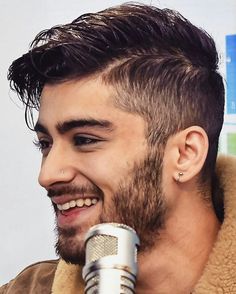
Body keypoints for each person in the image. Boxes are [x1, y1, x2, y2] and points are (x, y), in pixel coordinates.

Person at [1, 3, 236, 293]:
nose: (47, 175)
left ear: (186, 154)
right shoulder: (28, 289)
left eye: (85, 140)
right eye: (46, 144)